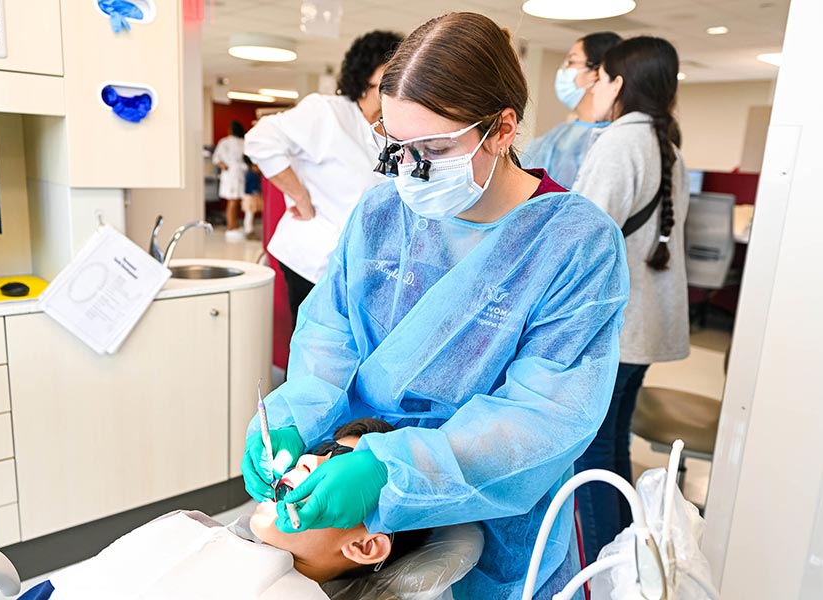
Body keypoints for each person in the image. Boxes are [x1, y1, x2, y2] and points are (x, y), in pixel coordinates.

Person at [241, 12, 629, 600]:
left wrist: (395, 471)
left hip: (498, 509)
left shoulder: (574, 244)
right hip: (359, 473)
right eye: (395, 146)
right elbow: (330, 333)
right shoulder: (379, 214)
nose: (410, 169)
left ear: (502, 129)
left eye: (435, 147)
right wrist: (297, 412)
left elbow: (546, 413)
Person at [16, 418, 431, 600]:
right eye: (321, 452)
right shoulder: (189, 525)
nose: (308, 461)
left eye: (335, 470)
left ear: (365, 547)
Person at [571, 36, 690, 564]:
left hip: (617, 330)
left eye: (598, 77)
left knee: (591, 457)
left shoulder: (620, 142)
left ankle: (603, 568)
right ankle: (627, 558)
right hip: (646, 330)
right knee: (614, 444)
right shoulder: (668, 145)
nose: (593, 86)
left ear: (618, 83)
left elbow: (582, 236)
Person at [245, 30, 402, 326]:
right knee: (314, 344)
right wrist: (300, 197)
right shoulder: (328, 113)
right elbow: (260, 140)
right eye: (392, 71)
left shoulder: (393, 129)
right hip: (313, 257)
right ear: (367, 74)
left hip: (361, 264)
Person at [520, 32, 621, 189]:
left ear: (597, 73)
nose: (564, 70)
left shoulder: (613, 141)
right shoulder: (558, 136)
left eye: (571, 61)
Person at [213, 120, 248, 241]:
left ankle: (234, 225)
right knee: (233, 201)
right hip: (232, 174)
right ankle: (231, 226)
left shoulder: (239, 142)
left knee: (236, 201)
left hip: (238, 174)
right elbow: (217, 159)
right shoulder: (226, 142)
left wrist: (225, 166)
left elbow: (217, 159)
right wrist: (227, 167)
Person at [243, 157, 263, 240]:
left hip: (253, 197)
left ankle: (250, 229)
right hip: (250, 197)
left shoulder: (254, 175)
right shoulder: (250, 175)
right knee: (249, 214)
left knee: (251, 214)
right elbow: (247, 187)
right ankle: (248, 231)